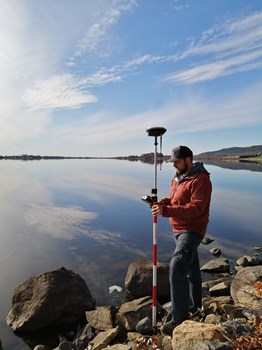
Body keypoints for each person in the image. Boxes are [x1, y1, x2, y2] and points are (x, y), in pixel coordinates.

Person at [151, 145, 212, 335]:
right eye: (173, 162)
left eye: (176, 162)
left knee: (177, 266)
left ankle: (179, 318)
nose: (174, 165)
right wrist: (161, 204)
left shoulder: (201, 179)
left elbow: (196, 208)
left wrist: (165, 211)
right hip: (178, 229)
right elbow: (174, 201)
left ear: (188, 160)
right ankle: (195, 307)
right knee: (192, 269)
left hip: (192, 230)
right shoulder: (178, 178)